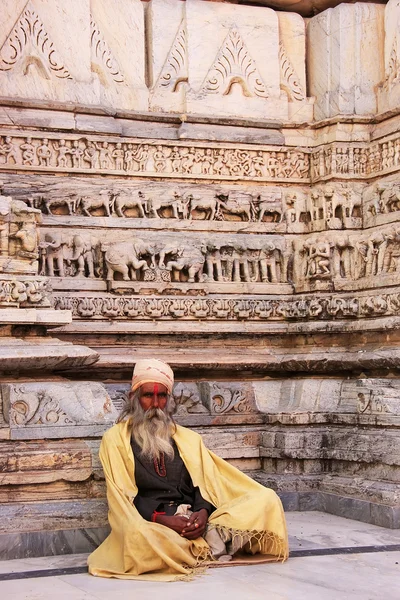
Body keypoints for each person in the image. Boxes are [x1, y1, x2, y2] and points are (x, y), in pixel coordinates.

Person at [88, 359, 288, 581]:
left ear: (169, 400)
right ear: (133, 398)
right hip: (154, 522)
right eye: (148, 396)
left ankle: (200, 542)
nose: (155, 403)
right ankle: (210, 546)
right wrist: (163, 519)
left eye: (162, 396)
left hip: (196, 518)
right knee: (139, 537)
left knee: (265, 498)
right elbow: (124, 497)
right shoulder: (115, 440)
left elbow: (207, 484)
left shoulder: (188, 439)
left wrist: (202, 513)